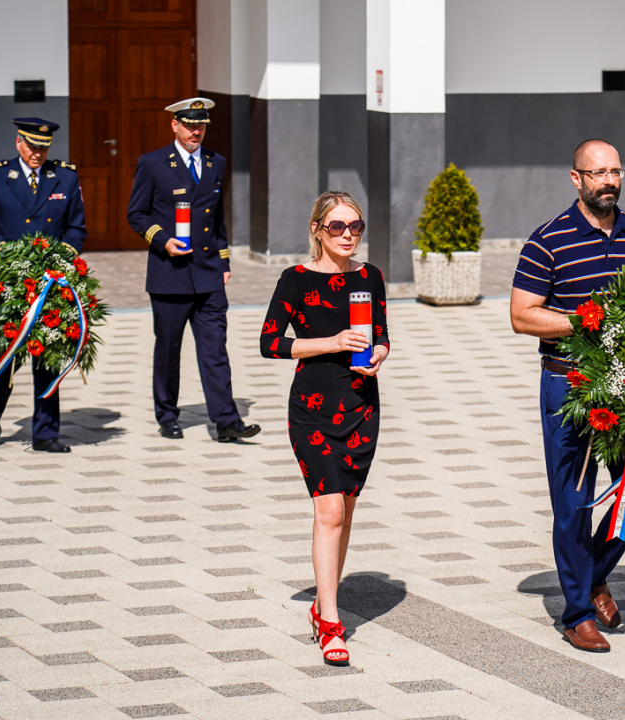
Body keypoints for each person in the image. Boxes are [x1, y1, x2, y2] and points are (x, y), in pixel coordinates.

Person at [510, 139, 625, 653]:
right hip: (569, 386)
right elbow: (521, 315)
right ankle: (577, 613)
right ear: (575, 179)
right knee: (573, 504)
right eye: (597, 173)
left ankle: (593, 573)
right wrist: (582, 321)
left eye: (615, 171)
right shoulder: (547, 241)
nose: (609, 181)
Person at [260, 191, 389, 667]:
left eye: (355, 226)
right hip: (312, 410)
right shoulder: (295, 280)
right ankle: (331, 622)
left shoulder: (369, 276)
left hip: (360, 407)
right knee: (330, 511)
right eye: (337, 227)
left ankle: (324, 602)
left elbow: (383, 335)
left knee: (345, 509)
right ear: (317, 229)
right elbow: (270, 344)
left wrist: (377, 355)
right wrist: (330, 342)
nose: (348, 235)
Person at [127, 97, 260, 442]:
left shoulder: (216, 162)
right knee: (169, 349)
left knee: (215, 349)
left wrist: (225, 261)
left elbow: (216, 219)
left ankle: (227, 420)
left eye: (201, 125)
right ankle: (167, 414)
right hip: (170, 273)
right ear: (175, 124)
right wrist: (163, 241)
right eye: (189, 125)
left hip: (208, 274)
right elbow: (137, 214)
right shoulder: (153, 163)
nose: (195, 131)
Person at [0, 118, 86, 453]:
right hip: (11, 283)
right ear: (18, 142)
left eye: (44, 147)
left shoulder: (65, 175)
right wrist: (10, 261)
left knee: (48, 355)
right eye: (32, 146)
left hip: (50, 283)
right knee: (3, 354)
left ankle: (46, 433)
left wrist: (58, 260)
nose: (38, 153)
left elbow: (76, 228)